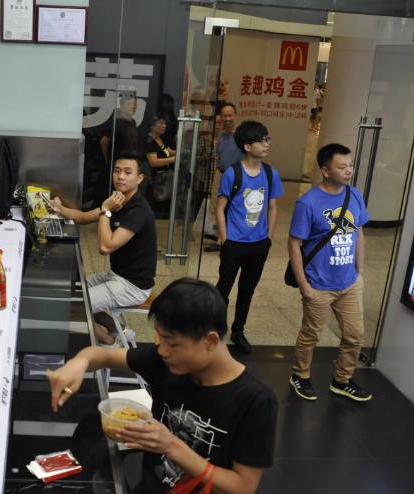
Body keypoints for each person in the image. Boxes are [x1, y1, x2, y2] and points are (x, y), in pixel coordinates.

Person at [48, 278, 278, 493]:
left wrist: (172, 446)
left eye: (173, 343)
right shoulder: (166, 363)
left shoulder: (255, 401)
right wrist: (79, 363)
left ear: (210, 341)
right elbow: (102, 355)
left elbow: (242, 487)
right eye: (160, 338)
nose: (162, 350)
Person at [288, 143, 372, 402]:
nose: (349, 171)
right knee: (311, 335)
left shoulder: (354, 195)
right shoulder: (308, 202)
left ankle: (342, 380)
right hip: (319, 283)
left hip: (349, 283)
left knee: (354, 334)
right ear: (325, 170)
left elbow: (359, 233)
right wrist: (305, 287)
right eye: (342, 166)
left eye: (350, 165)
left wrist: (359, 272)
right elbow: (294, 244)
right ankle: (300, 375)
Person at [51, 150, 156, 345]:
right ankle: (119, 330)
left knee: (74, 305)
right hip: (117, 275)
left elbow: (105, 247)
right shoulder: (119, 200)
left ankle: (109, 342)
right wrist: (58, 208)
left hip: (133, 286)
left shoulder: (137, 210)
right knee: (75, 290)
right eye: (117, 171)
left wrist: (106, 211)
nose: (120, 176)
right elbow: (83, 217)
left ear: (139, 178)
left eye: (128, 172)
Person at [215, 121, 283, 354]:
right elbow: (220, 208)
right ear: (247, 146)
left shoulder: (270, 174)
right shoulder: (232, 173)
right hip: (234, 243)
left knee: (247, 290)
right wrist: (225, 239)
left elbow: (273, 207)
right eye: (261, 141)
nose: (267, 144)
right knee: (223, 289)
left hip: (258, 245)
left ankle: (238, 330)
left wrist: (269, 237)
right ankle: (217, 329)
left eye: (267, 139)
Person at [204, 102, 245, 252]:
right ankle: (222, 238)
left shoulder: (242, 135)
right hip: (221, 175)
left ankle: (225, 240)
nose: (227, 118)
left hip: (237, 177)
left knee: (233, 208)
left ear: (236, 115)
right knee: (219, 208)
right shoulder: (220, 136)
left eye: (230, 115)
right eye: (224, 115)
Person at [144, 115, 176, 216]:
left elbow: (169, 151)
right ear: (152, 125)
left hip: (164, 179)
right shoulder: (149, 141)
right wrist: (172, 160)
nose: (164, 126)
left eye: (165, 123)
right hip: (155, 180)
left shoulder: (159, 138)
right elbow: (153, 162)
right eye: (161, 123)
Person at [100, 92, 141, 166]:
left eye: (135, 104)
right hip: (118, 163)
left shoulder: (133, 122)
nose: (132, 106)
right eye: (129, 104)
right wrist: (107, 161)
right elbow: (104, 142)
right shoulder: (115, 122)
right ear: (121, 105)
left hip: (130, 162)